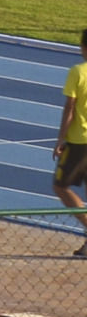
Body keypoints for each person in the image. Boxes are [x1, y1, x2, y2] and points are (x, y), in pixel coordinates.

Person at [55, 27, 87, 256]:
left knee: (60, 186)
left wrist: (61, 139)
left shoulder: (78, 71)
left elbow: (70, 108)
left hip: (79, 141)